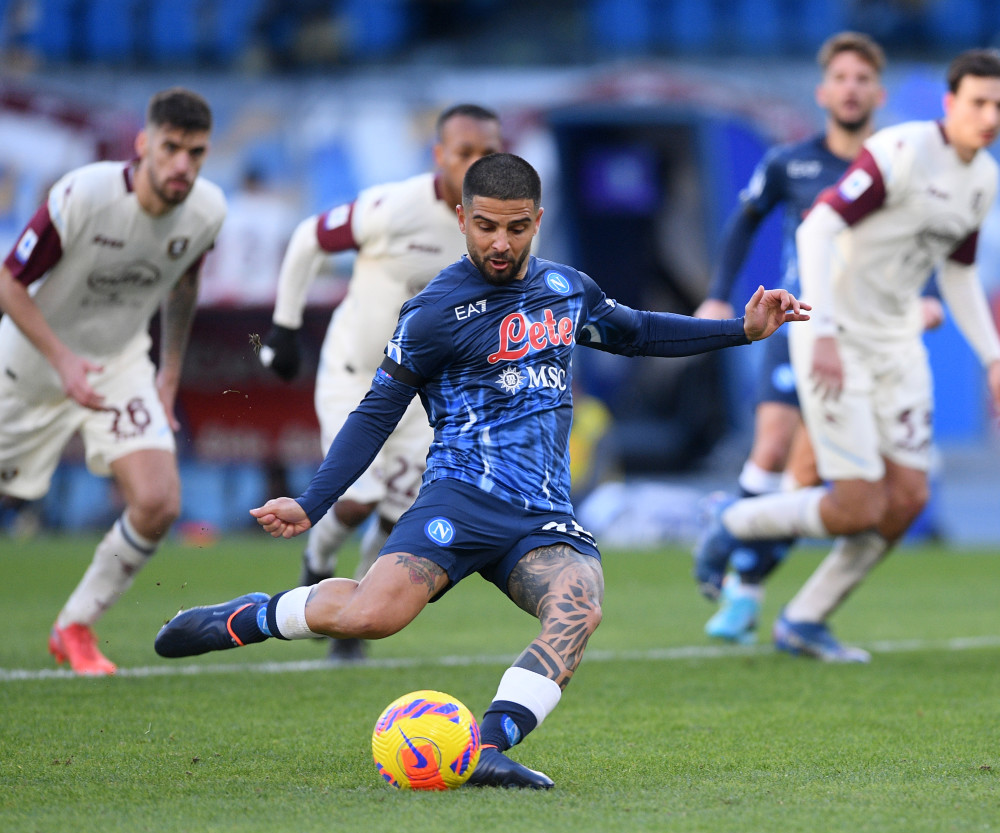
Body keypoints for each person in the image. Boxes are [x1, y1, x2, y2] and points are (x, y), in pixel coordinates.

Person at [155, 152, 809, 788]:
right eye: (487, 225)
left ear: (538, 220)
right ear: (463, 217)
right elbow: (374, 414)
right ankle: (250, 616)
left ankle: (487, 747)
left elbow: (637, 331)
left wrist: (742, 333)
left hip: (543, 513)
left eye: (517, 226)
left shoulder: (565, 289)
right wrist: (313, 500)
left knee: (578, 605)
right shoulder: (434, 312)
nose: (501, 242)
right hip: (459, 500)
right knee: (369, 616)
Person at [694, 48, 1000, 662]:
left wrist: (992, 358)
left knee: (907, 500)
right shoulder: (904, 151)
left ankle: (805, 619)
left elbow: (961, 275)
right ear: (950, 103)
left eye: (999, 105)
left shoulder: (983, 177)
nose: (989, 115)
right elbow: (815, 230)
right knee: (856, 502)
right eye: (978, 102)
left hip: (896, 340)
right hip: (832, 332)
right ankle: (735, 522)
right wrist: (825, 330)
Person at [257, 103, 503, 660]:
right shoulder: (394, 208)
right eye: (465, 152)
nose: (476, 164)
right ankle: (317, 566)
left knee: (399, 514)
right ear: (439, 156)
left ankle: (351, 615)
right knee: (354, 502)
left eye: (488, 153)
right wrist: (285, 326)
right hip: (355, 376)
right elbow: (308, 238)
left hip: (426, 394)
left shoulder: (496, 230)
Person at [0, 88, 225, 675]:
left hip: (120, 363)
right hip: (29, 362)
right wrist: (61, 358)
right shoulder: (84, 193)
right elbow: (9, 282)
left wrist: (169, 373)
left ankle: (75, 625)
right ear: (144, 144)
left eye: (195, 152)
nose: (183, 165)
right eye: (171, 148)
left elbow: (182, 286)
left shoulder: (206, 211)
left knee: (157, 501)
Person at [691, 32, 888, 642]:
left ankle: (741, 570)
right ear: (823, 90)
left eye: (863, 79)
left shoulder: (893, 165)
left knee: (806, 484)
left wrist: (927, 303)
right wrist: (720, 293)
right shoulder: (790, 162)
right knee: (771, 448)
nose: (851, 89)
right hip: (797, 322)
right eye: (842, 78)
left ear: (876, 92)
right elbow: (743, 221)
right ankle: (738, 585)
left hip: (862, 334)